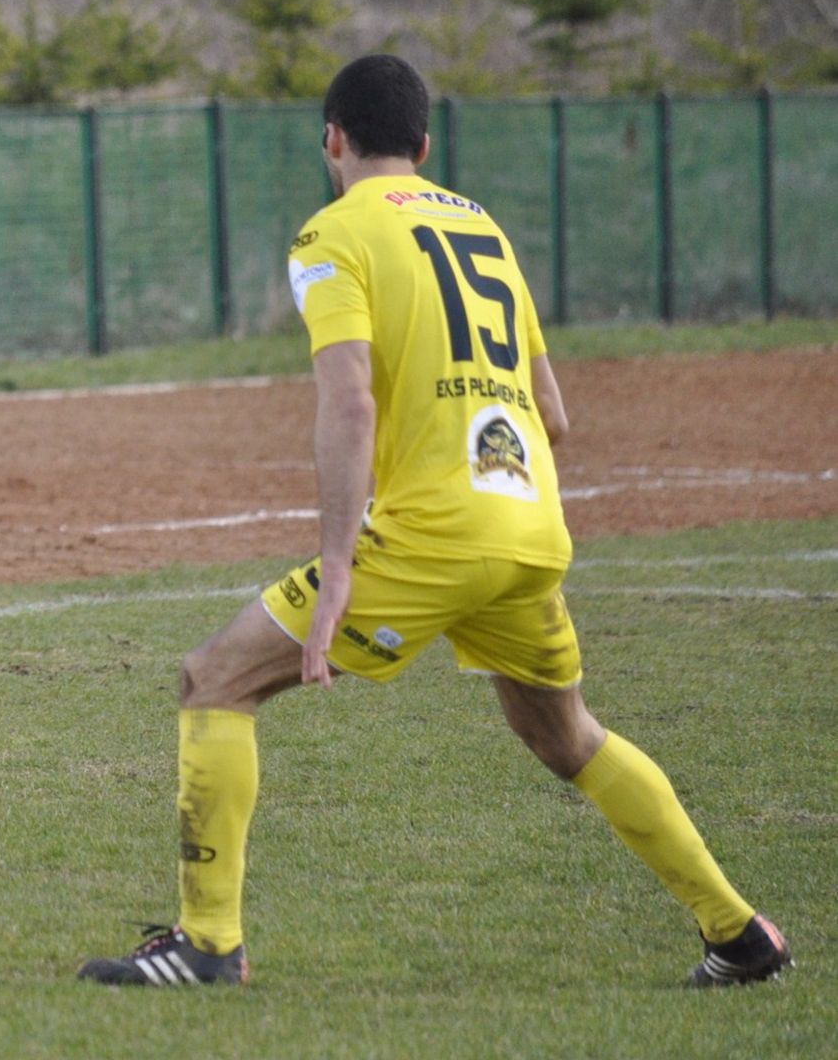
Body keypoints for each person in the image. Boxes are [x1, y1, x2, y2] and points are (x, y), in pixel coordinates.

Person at [78, 54, 790, 989]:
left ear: (331, 138)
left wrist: (340, 564)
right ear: (424, 145)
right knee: (566, 736)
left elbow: (349, 405)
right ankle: (741, 935)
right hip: (530, 531)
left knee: (214, 680)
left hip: (429, 541)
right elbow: (556, 416)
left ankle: (208, 944)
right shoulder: (482, 227)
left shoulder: (331, 234)